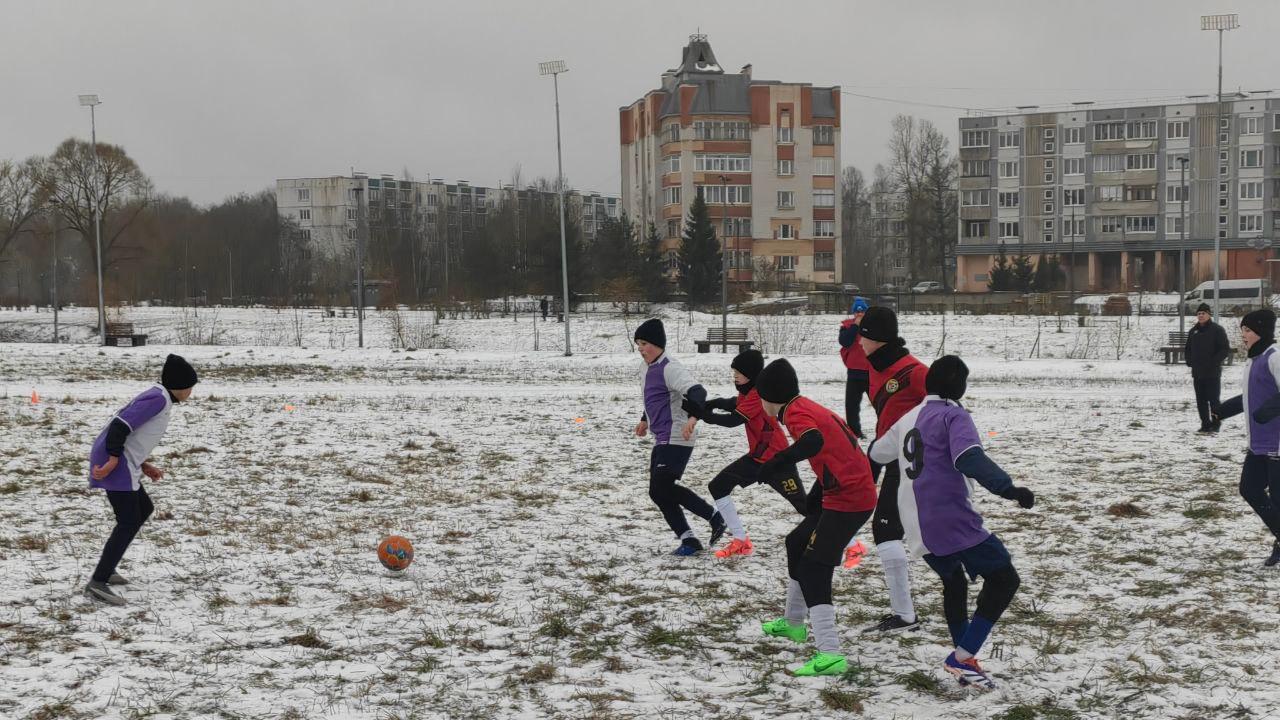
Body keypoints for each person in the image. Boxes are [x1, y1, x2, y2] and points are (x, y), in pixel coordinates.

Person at [869, 355, 1034, 690]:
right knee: (1004, 579)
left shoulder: (909, 416)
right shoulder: (954, 415)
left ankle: (965, 660)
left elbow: (876, 453)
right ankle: (962, 656)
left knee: (954, 582)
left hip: (914, 522)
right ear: (960, 386)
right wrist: (1009, 489)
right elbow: (968, 457)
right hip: (950, 519)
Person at [755, 358, 878, 676]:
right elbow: (834, 452)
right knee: (796, 542)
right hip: (839, 493)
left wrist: (776, 462)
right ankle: (794, 624)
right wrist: (816, 497)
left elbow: (814, 442)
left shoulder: (795, 413)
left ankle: (831, 655)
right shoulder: (801, 405)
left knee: (813, 569)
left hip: (850, 499)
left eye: (760, 396)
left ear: (771, 397)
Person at [84, 354, 198, 606]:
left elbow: (133, 434)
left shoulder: (160, 398)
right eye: (191, 387)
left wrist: (143, 464)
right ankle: (98, 581)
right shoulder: (157, 399)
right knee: (129, 520)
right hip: (116, 461)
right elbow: (119, 426)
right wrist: (114, 458)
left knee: (143, 509)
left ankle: (108, 568)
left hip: (124, 460)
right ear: (180, 386)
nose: (191, 392)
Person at [684, 349, 808, 558]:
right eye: (733, 374)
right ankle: (741, 541)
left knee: (804, 506)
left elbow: (733, 420)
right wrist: (711, 404)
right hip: (756, 460)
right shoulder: (747, 393)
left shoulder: (758, 394)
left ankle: (848, 541)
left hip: (778, 462)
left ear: (750, 376)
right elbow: (731, 402)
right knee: (718, 486)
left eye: (737, 374)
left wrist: (702, 414)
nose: (734, 378)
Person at [858, 305, 929, 634]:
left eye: (864, 335)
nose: (859, 341)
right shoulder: (873, 366)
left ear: (878, 339)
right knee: (906, 533)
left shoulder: (914, 370)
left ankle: (905, 616)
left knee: (888, 531)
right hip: (886, 454)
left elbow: (948, 404)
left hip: (911, 460)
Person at [634, 318, 726, 556]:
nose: (641, 349)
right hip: (662, 436)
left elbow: (698, 392)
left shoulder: (670, 368)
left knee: (661, 486)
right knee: (658, 491)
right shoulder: (647, 367)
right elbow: (655, 397)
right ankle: (689, 539)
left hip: (677, 434)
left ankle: (714, 517)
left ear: (658, 343)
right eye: (638, 344)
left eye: (645, 343)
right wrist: (645, 419)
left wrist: (694, 418)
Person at [1215, 308, 1280, 567]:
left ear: (1262, 332)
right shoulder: (1253, 360)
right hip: (1258, 443)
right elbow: (1249, 398)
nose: (1244, 335)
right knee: (1249, 489)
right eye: (1242, 330)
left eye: (1248, 331)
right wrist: (1222, 410)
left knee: (1277, 498)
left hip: (1277, 442)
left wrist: (1269, 411)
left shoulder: (1275, 357)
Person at [1184, 302, 1230, 433]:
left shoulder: (1217, 330)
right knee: (1201, 400)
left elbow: (1224, 349)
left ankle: (1216, 424)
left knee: (1214, 400)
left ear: (1209, 314)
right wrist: (1189, 360)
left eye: (1203, 313)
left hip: (1212, 372)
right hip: (1198, 373)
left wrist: (1214, 362)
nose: (1201, 316)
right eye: (1198, 314)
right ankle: (1205, 424)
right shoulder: (1194, 331)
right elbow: (1188, 349)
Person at [838, 297, 871, 437]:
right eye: (857, 312)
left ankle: (884, 430)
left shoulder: (872, 326)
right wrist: (855, 326)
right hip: (854, 373)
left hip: (871, 372)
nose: (859, 314)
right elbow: (845, 342)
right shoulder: (847, 327)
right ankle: (855, 432)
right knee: (851, 406)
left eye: (862, 311)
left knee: (880, 404)